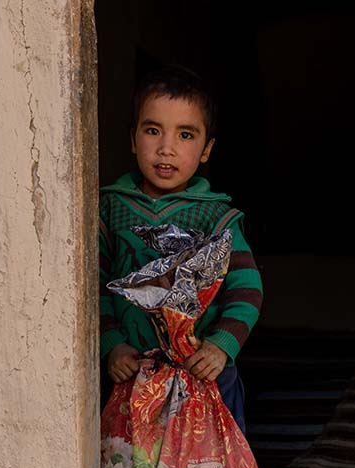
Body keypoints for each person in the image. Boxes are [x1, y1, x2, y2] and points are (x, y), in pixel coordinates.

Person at [98, 65, 262, 431]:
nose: (166, 148)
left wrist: (220, 346)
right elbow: (95, 287)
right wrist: (113, 346)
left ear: (207, 149)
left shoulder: (217, 218)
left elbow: (247, 290)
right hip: (132, 376)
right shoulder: (110, 210)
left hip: (205, 374)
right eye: (152, 130)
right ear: (132, 138)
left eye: (185, 134)